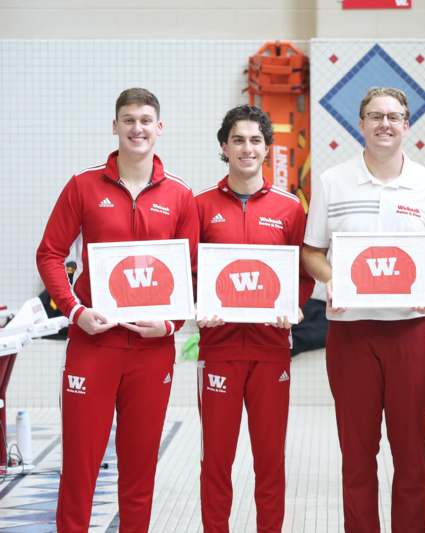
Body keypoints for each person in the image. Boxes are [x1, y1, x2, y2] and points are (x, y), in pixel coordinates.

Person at [36, 87, 199, 532]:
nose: (137, 128)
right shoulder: (82, 186)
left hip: (151, 350)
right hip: (94, 342)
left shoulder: (181, 196)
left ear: (160, 128)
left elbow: (192, 271)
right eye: (128, 120)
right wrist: (74, 311)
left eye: (146, 120)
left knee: (139, 468)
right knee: (80, 467)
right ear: (115, 126)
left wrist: (170, 324)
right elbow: (50, 253)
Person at [301, 87, 425, 532]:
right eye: (375, 116)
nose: (384, 124)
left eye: (393, 117)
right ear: (361, 123)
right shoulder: (334, 181)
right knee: (357, 455)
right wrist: (334, 281)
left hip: (411, 332)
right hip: (351, 334)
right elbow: (312, 251)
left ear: (407, 125)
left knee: (411, 454)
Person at [194, 105, 313, 533]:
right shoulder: (201, 206)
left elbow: (303, 272)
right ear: (224, 147)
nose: (247, 148)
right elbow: (191, 271)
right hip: (219, 350)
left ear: (267, 148)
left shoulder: (288, 208)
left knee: (270, 460)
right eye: (238, 140)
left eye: (256, 140)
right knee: (216, 460)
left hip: (271, 350)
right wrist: (197, 305)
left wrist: (294, 307)